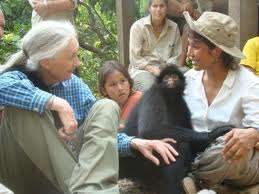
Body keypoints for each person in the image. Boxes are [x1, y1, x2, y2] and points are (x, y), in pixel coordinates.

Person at [0, 21, 120, 194]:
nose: (78, 63)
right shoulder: (17, 76)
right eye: (72, 56)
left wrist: (133, 143)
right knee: (25, 105)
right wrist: (56, 103)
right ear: (47, 62)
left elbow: (98, 134)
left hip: (65, 176)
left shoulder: (73, 84)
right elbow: (2, 86)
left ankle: (90, 190)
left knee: (106, 107)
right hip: (22, 175)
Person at [182, 11, 259, 193]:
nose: (188, 53)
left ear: (216, 51)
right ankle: (208, 182)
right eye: (188, 46)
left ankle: (194, 179)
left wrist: (253, 135)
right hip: (195, 150)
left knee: (228, 147)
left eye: (195, 47)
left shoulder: (248, 83)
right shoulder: (187, 80)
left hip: (233, 159)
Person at [98, 60, 183, 194]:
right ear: (104, 90)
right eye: (113, 84)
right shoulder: (106, 107)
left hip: (152, 151)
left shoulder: (137, 99)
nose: (120, 88)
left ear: (129, 82)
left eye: (123, 81)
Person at [129, 0, 182, 92]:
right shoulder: (138, 27)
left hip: (167, 69)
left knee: (190, 79)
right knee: (152, 90)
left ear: (167, 8)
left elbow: (177, 55)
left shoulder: (174, 27)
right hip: (143, 70)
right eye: (155, 6)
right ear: (149, 8)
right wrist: (153, 69)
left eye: (162, 6)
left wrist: (165, 70)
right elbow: (135, 58)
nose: (158, 9)